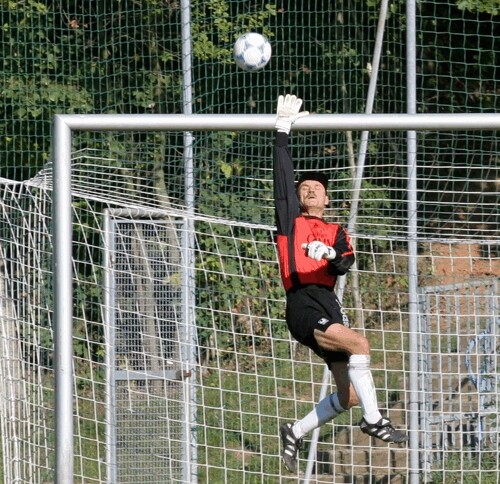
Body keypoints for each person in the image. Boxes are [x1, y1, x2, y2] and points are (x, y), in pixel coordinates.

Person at [273, 94, 407, 473]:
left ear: (328, 199)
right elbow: (282, 182)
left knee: (348, 396)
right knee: (359, 344)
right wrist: (282, 131)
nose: (310, 189)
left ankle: (295, 430)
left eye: (316, 187)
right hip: (303, 302)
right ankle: (375, 420)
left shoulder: (336, 231)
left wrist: (331, 253)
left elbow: (346, 262)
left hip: (329, 305)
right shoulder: (291, 222)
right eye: (304, 186)